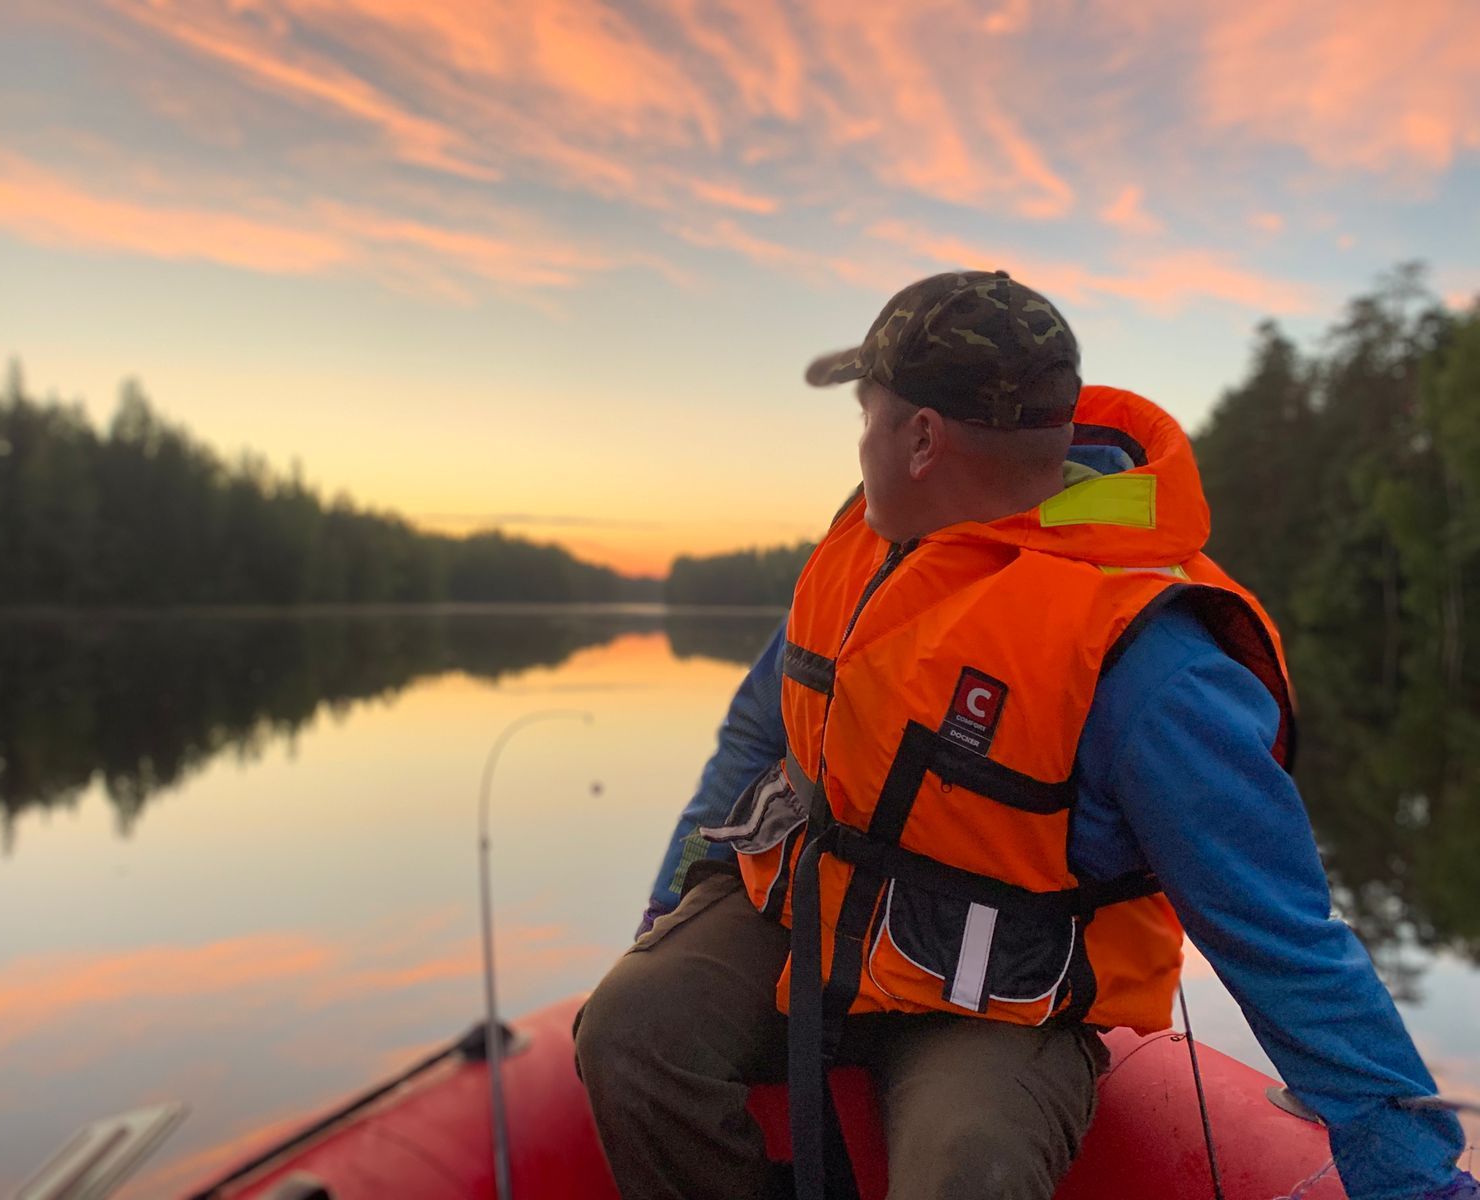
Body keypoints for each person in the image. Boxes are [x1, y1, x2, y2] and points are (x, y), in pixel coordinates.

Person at [574, 271, 1477, 1200]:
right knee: (631, 1034)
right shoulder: (867, 553)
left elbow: (1279, 934)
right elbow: (757, 732)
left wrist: (1414, 1179)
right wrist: (666, 904)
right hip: (811, 919)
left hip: (1003, 1004)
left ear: (921, 439)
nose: (861, 440)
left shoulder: (1149, 661)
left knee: (971, 1166)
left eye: (868, 413)